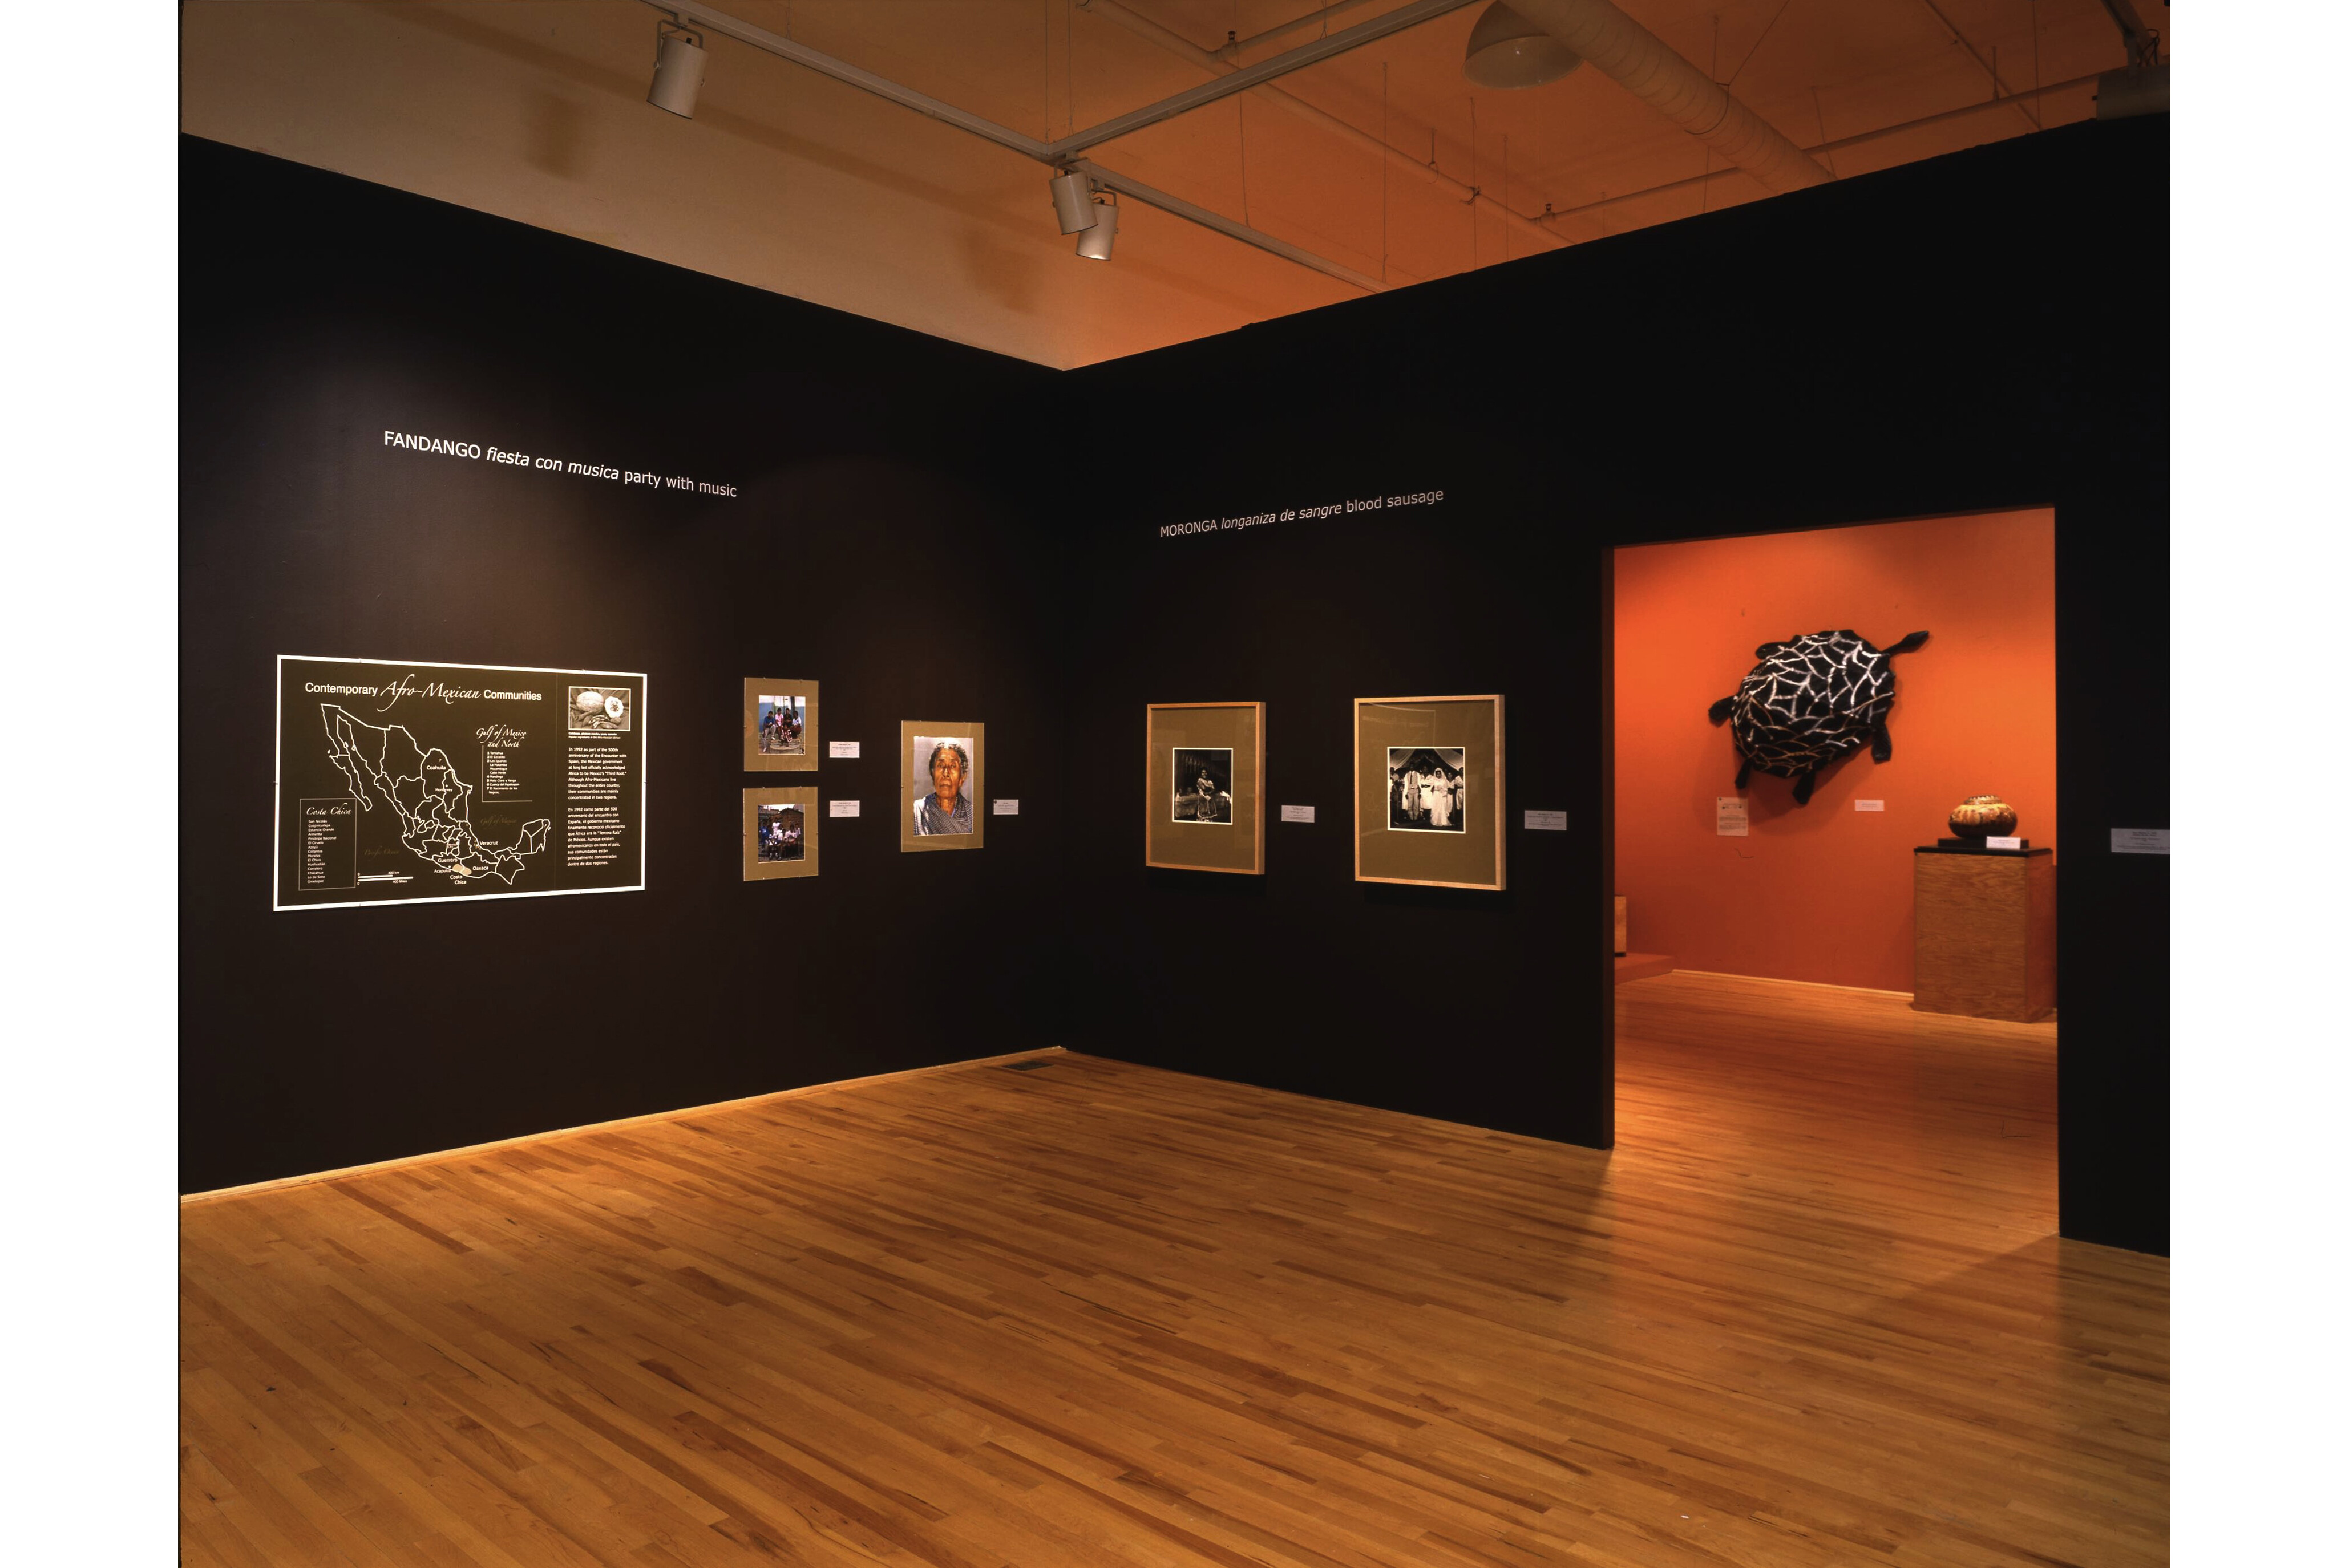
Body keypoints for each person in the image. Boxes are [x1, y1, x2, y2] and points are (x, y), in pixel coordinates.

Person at [914, 740, 974, 835]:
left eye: (953, 766)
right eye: (940, 766)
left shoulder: (973, 816)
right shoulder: (916, 812)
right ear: (932, 773)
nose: (946, 773)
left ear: (963, 777)